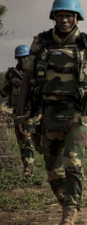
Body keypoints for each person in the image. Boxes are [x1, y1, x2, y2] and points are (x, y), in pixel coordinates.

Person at [15, 0, 87, 225]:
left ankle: (68, 218)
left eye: (69, 15)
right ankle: (68, 203)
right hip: (48, 115)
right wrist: (21, 114)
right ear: (54, 17)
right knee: (52, 171)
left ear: (76, 18)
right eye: (60, 15)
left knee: (73, 165)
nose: (64, 19)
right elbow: (27, 81)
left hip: (77, 116)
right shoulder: (40, 43)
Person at [1, 45, 38, 178]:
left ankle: (28, 170)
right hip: (17, 112)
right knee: (21, 140)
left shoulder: (34, 72)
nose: (23, 60)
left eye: (25, 57)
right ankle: (26, 167)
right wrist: (10, 83)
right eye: (20, 58)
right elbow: (2, 93)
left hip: (32, 112)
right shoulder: (11, 74)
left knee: (27, 138)